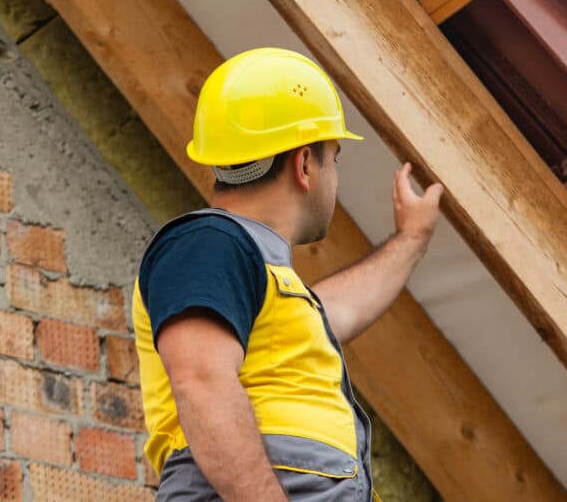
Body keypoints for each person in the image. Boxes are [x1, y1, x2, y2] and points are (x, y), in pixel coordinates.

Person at [132, 47, 443, 501]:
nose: (333, 175)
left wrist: (411, 238)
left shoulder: (255, 278)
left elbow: (335, 310)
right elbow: (201, 380)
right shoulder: (208, 242)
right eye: (333, 158)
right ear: (303, 164)